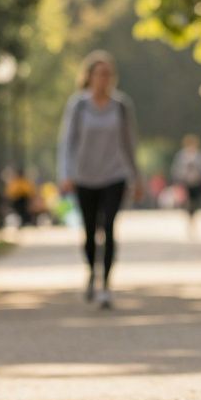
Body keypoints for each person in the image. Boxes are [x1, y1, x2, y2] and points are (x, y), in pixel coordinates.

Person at [57, 50, 144, 309]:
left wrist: (137, 178)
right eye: (99, 74)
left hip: (114, 175)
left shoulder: (121, 106)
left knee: (108, 229)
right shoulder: (78, 105)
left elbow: (129, 144)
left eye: (108, 74)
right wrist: (65, 175)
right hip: (84, 176)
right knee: (89, 232)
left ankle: (105, 285)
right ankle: (91, 273)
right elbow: (67, 143)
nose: (104, 79)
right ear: (89, 76)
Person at [171, 134, 201, 239]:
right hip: (186, 183)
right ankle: (190, 220)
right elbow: (176, 169)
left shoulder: (200, 155)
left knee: (196, 203)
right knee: (188, 204)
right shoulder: (181, 156)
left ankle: (193, 219)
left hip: (197, 182)